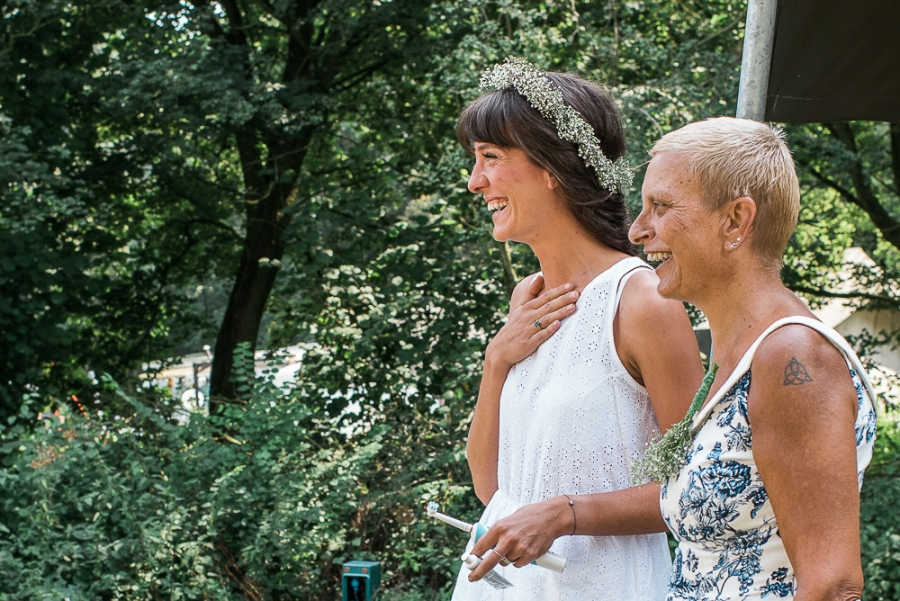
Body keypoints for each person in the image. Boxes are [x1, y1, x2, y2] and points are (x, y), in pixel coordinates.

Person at [468, 116, 878, 601]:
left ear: (735, 221)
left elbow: (834, 587)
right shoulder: (738, 358)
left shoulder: (795, 356)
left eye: (660, 207)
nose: (638, 231)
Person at [452, 57, 705, 600]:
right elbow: (491, 487)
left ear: (552, 167)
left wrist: (566, 515)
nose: (476, 183)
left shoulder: (641, 302)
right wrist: (495, 362)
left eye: (490, 158)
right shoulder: (530, 296)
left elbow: (696, 489)